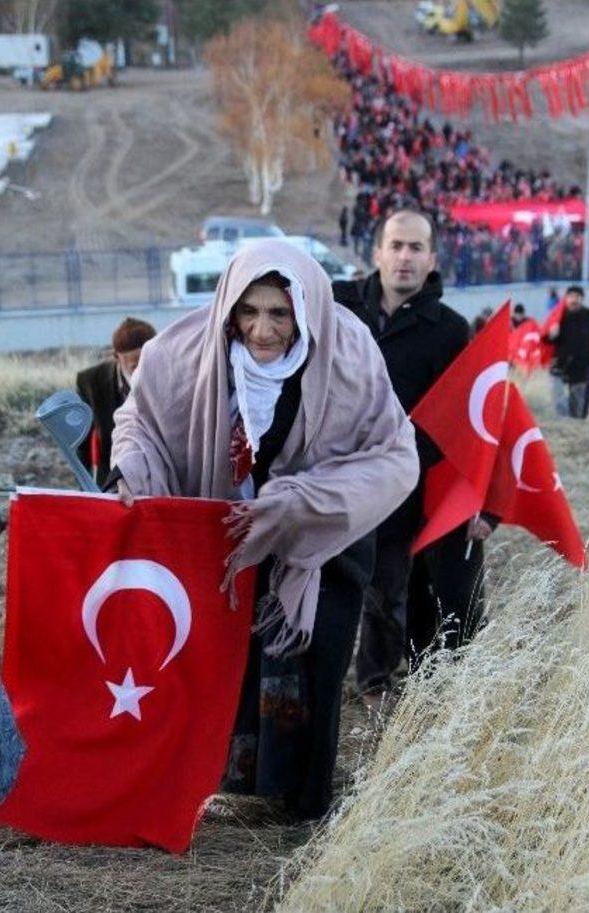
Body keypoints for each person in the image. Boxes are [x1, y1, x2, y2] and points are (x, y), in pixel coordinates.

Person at [110, 239, 418, 819]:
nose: (262, 330)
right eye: (248, 312)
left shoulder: (349, 352)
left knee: (315, 664)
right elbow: (140, 424)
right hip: (229, 541)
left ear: (305, 309)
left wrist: (306, 499)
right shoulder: (185, 351)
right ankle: (239, 785)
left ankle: (302, 801)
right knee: (233, 664)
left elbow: (395, 456)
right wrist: (132, 470)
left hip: (323, 540)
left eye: (279, 312)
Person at [332, 209, 494, 708]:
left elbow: (471, 418)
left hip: (410, 479)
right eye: (396, 245)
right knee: (341, 582)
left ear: (432, 260)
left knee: (396, 585)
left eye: (415, 248)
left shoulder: (449, 329)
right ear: (376, 252)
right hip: (337, 469)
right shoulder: (337, 307)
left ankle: (382, 682)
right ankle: (338, 676)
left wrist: (478, 499)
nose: (404, 257)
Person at [76, 317, 156, 487]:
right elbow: (82, 445)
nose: (143, 369)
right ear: (116, 357)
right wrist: (85, 488)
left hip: (159, 471)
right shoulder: (91, 382)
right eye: (135, 365)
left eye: (149, 361)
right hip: (112, 477)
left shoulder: (172, 373)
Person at [545, 286, 589, 419]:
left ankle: (575, 422)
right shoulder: (557, 317)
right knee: (557, 396)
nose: (574, 300)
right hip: (559, 362)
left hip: (582, 364)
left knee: (577, 406)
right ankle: (564, 421)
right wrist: (551, 335)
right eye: (571, 297)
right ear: (566, 299)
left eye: (577, 297)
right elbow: (545, 340)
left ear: (582, 299)